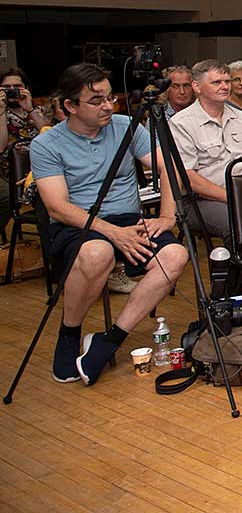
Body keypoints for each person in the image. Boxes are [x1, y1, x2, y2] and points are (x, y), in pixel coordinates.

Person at [29, 63, 189, 386]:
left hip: (127, 219)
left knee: (175, 256)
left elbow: (168, 168)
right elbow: (58, 207)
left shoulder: (125, 126)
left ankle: (110, 339)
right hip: (78, 223)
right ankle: (69, 333)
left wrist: (167, 216)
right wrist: (113, 233)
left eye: (109, 97)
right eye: (96, 100)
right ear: (70, 106)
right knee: (98, 253)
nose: (107, 106)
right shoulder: (47, 144)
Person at [169, 59, 242, 245]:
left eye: (227, 81)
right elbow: (189, 177)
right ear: (197, 87)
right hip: (202, 200)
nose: (225, 87)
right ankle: (239, 264)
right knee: (239, 222)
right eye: (217, 82)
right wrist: (233, 197)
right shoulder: (181, 123)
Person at [1, 67, 49, 240]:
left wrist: (29, 109)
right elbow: (1, 147)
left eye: (17, 86)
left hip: (40, 169)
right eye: (6, 87)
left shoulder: (37, 110)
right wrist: (1, 111)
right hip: (8, 171)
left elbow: (50, 135)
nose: (12, 91)